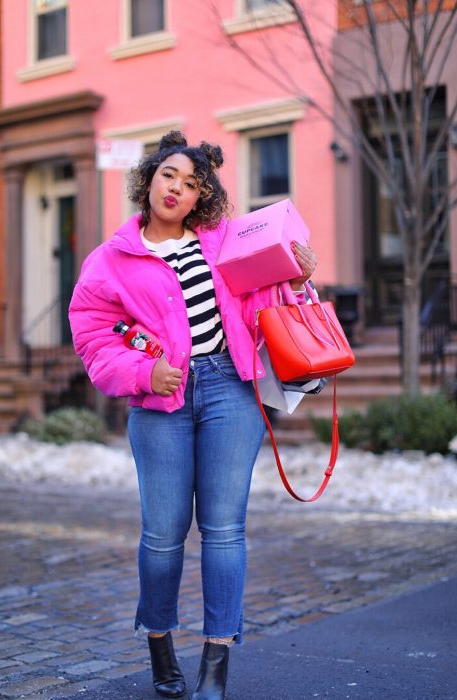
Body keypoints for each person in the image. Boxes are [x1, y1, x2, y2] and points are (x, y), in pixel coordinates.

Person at [69, 132, 317, 699]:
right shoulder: (109, 261)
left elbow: (267, 304)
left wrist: (298, 276)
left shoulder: (224, 242)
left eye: (192, 183)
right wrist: (141, 374)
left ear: (203, 196)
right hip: (161, 402)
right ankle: (159, 641)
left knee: (224, 528)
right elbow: (92, 338)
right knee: (163, 533)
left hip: (231, 387)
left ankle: (216, 663)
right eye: (169, 176)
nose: (178, 188)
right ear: (149, 180)